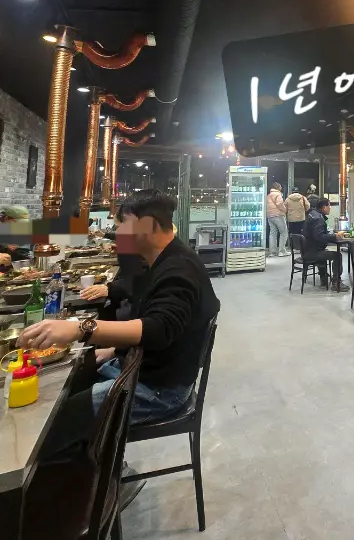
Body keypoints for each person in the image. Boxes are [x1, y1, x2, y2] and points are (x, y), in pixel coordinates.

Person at [20, 189, 220, 463]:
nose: (118, 233)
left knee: (54, 422)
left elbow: (159, 329)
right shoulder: (163, 260)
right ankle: (102, 466)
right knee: (75, 380)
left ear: (148, 226)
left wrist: (81, 328)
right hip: (148, 368)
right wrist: (115, 350)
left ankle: (94, 483)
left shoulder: (178, 269)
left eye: (123, 224)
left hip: (161, 390)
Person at [81, 205, 148, 321]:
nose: (117, 231)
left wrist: (109, 289)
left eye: (118, 227)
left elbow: (141, 277)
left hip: (141, 307)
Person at [303, 197, 348, 291]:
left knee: (324, 251)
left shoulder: (312, 214)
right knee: (338, 256)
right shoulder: (318, 219)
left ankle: (324, 279)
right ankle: (336, 283)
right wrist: (335, 236)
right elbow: (319, 237)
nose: (330, 207)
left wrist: (330, 235)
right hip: (313, 252)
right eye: (329, 205)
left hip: (307, 249)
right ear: (324, 207)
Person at [266, 182, 289, 257]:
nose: (281, 188)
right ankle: (282, 251)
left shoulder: (268, 195)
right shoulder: (278, 194)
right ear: (278, 187)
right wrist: (285, 210)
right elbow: (279, 204)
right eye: (280, 186)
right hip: (278, 215)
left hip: (270, 216)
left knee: (272, 233)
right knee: (284, 232)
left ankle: (272, 252)